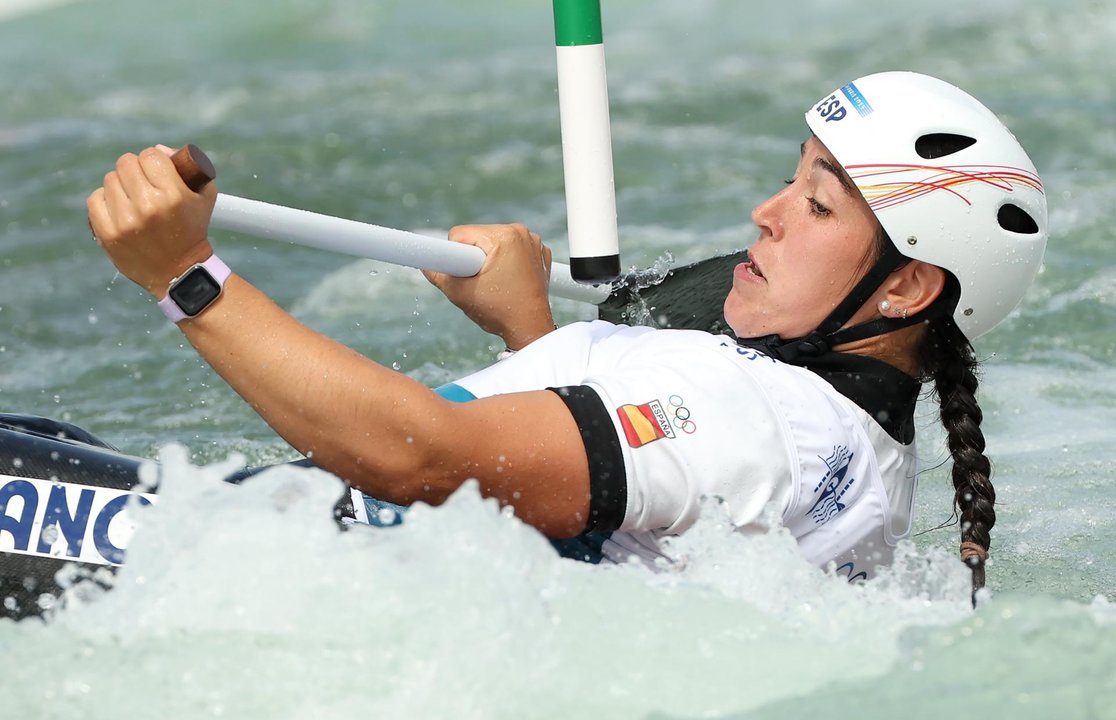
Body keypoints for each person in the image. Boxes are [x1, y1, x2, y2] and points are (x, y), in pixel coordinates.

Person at [86, 71, 1047, 598]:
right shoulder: (835, 425)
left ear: (910, 286)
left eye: (819, 207)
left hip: (272, 565)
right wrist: (528, 332)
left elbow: (418, 459)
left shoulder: (760, 419)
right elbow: (606, 516)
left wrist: (187, 277)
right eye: (791, 179)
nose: (766, 213)